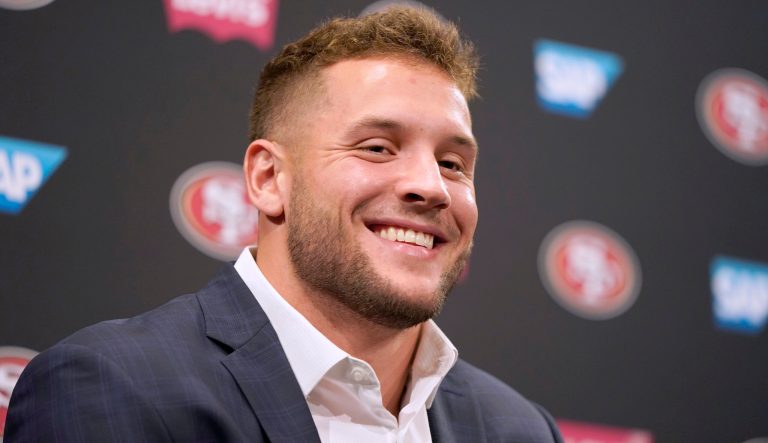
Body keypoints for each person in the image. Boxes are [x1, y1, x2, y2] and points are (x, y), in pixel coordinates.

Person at [6, 6, 563, 442]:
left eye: (453, 163)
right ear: (269, 179)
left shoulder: (519, 430)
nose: (433, 187)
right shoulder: (112, 389)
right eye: (376, 147)